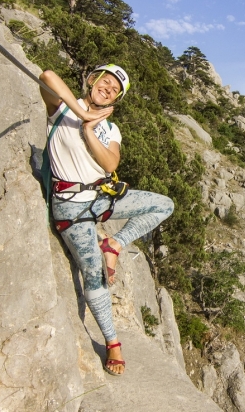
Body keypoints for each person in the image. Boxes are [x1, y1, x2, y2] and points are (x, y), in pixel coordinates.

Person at [39, 65, 174, 376]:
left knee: (163, 205)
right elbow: (46, 75)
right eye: (106, 82)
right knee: (93, 273)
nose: (109, 89)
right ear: (91, 80)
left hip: (101, 198)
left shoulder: (111, 130)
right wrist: (82, 115)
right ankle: (112, 342)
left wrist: (89, 130)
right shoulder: (60, 109)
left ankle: (114, 242)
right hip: (71, 207)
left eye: (116, 90)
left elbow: (110, 162)